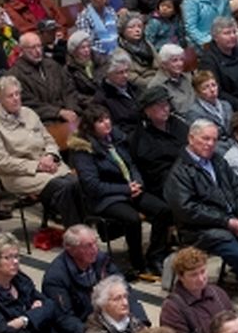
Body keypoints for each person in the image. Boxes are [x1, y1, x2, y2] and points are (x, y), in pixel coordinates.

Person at [165, 120, 238, 317]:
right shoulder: (180, 172)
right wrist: (226, 222)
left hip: (234, 219)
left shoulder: (218, 161)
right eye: (205, 139)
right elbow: (188, 210)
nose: (210, 144)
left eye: (214, 139)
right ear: (191, 138)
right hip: (202, 230)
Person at [68, 109, 171, 276]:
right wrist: (125, 189)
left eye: (108, 118)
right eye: (100, 121)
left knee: (163, 210)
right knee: (132, 219)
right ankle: (137, 262)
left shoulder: (116, 139)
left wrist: (137, 183)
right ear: (90, 127)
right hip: (105, 197)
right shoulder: (83, 150)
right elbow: (93, 186)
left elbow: (131, 165)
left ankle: (155, 255)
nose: (107, 123)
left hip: (129, 190)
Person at [0, 75, 83, 227]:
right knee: (64, 186)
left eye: (18, 94)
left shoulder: (29, 113)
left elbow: (49, 140)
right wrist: (37, 166)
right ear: (0, 100)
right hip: (18, 174)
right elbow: (3, 162)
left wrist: (50, 156)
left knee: (78, 182)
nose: (16, 98)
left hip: (48, 164)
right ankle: (74, 231)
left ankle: (81, 227)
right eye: (10, 96)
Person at [41, 224, 125, 333]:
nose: (95, 249)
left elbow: (124, 289)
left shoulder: (101, 260)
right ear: (71, 249)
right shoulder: (56, 278)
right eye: (88, 246)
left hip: (108, 320)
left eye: (95, 243)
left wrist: (141, 321)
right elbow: (64, 319)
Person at [128, 85, 189, 195]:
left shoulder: (177, 123)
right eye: (160, 106)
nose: (165, 109)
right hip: (169, 185)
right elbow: (158, 174)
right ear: (147, 111)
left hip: (191, 174)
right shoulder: (141, 139)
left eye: (166, 104)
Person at [11, 31, 81, 125]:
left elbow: (69, 89)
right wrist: (58, 112)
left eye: (39, 46)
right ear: (22, 50)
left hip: (68, 115)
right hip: (42, 122)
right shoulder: (16, 75)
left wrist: (71, 109)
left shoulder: (52, 65)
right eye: (32, 47)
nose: (38, 51)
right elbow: (28, 104)